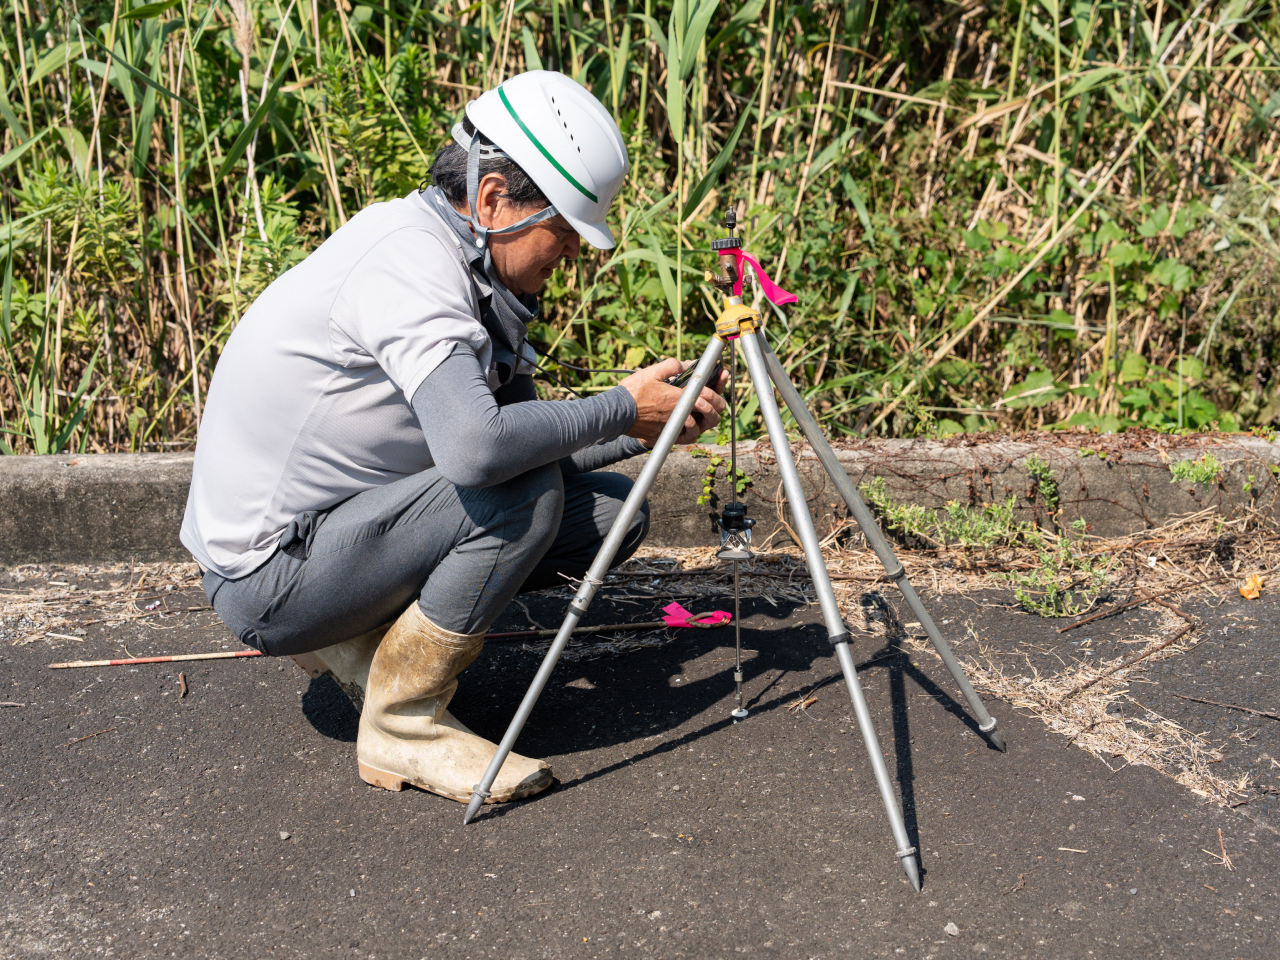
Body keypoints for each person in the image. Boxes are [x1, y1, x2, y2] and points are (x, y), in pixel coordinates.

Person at [180, 71, 728, 807]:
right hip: (268, 580)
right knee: (520, 495)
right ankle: (400, 726)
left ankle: (362, 645)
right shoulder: (411, 265)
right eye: (561, 234)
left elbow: (523, 445)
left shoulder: (462, 265)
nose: (567, 258)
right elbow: (479, 452)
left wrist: (642, 426)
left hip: (331, 536)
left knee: (608, 514)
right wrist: (616, 407)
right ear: (495, 198)